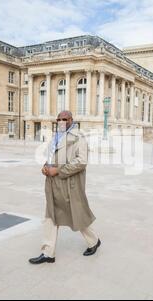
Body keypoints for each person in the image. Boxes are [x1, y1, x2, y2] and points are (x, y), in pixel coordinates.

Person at [29, 111, 101, 264]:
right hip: (52, 183)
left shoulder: (79, 138)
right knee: (50, 216)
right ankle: (48, 253)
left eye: (65, 119)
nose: (61, 121)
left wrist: (58, 170)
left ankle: (94, 241)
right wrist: (45, 167)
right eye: (59, 119)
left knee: (77, 215)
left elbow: (81, 162)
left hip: (69, 185)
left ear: (71, 120)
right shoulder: (55, 137)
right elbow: (50, 157)